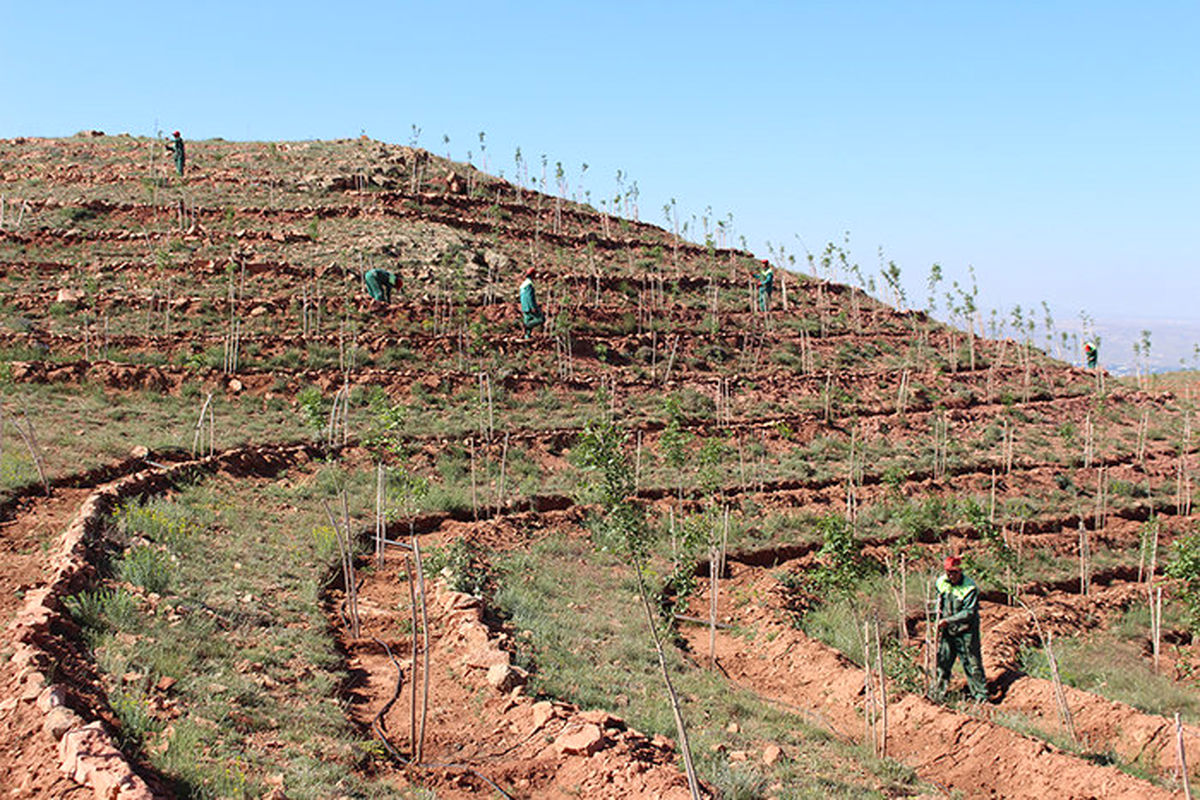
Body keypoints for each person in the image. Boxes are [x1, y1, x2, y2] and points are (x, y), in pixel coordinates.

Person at [931, 555, 990, 703]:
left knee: (972, 664)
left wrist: (947, 620)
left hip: (966, 631)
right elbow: (939, 601)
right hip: (948, 630)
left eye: (954, 572)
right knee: (943, 662)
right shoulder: (941, 582)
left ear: (960, 571)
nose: (951, 575)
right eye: (948, 572)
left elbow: (969, 612)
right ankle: (937, 695)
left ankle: (981, 697)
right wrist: (937, 616)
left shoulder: (969, 587)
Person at [519, 267, 545, 337]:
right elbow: (529, 296)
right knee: (541, 319)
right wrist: (532, 307)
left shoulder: (523, 285)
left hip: (524, 307)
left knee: (528, 321)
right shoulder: (529, 285)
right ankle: (526, 326)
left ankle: (527, 338)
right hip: (529, 307)